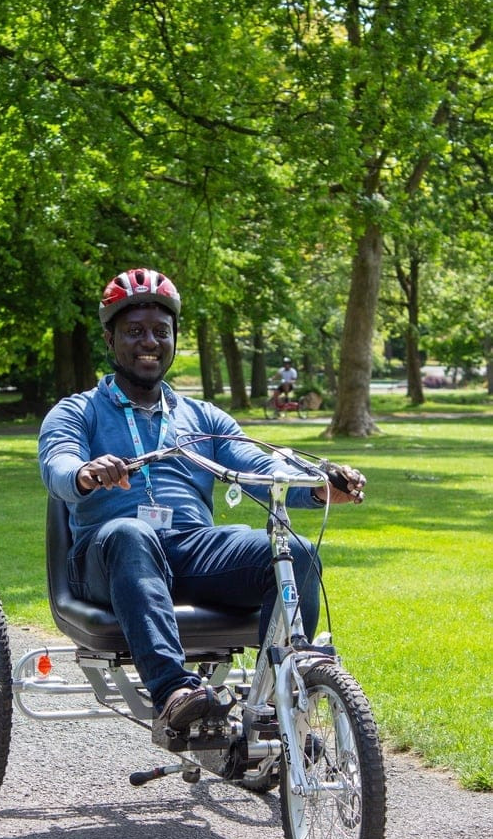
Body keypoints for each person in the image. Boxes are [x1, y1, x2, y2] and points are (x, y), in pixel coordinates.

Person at [39, 268, 365, 737]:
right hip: (108, 560)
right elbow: (59, 464)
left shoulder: (203, 418)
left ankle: (277, 704)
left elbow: (256, 465)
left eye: (160, 331)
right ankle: (174, 693)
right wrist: (86, 473)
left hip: (193, 549)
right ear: (110, 340)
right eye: (134, 332)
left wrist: (315, 486)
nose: (148, 341)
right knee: (132, 533)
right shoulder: (78, 411)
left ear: (174, 340)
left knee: (296, 550)